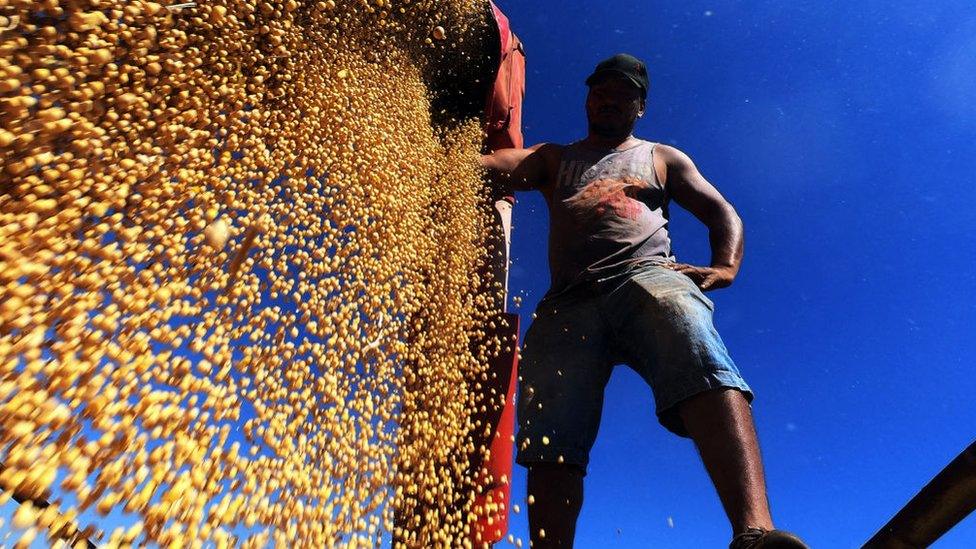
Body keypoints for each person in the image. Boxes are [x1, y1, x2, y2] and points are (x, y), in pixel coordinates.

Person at [481, 54, 810, 549]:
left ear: (640, 106)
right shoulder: (556, 158)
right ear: (588, 97)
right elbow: (499, 166)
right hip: (569, 302)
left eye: (623, 93)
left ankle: (755, 532)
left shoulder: (660, 157)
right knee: (551, 427)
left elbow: (722, 212)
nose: (608, 98)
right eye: (600, 90)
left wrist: (725, 266)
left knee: (689, 335)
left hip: (646, 276)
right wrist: (445, 160)